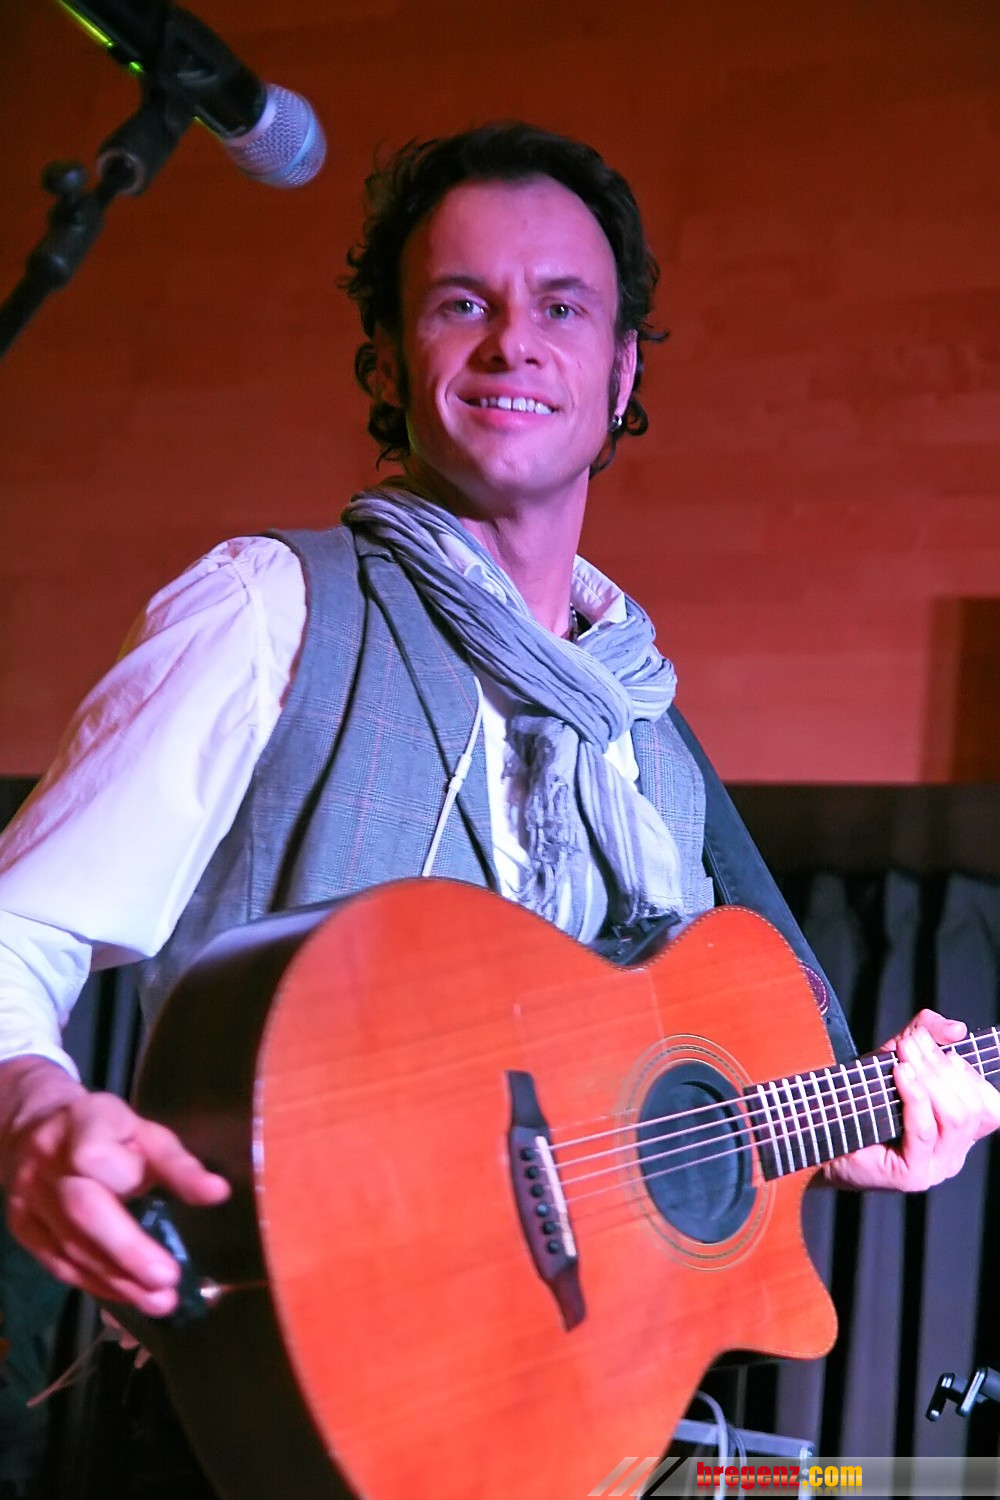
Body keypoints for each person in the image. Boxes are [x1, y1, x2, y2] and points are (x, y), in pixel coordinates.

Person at [1, 120, 998, 1342]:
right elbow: (17, 931)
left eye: (561, 308)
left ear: (621, 377)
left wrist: (847, 1136)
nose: (512, 340)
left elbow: (615, 1156)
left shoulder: (647, 740)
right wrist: (31, 1109)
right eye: (461, 303)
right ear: (386, 363)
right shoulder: (269, 610)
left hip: (560, 1406)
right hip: (262, 1378)